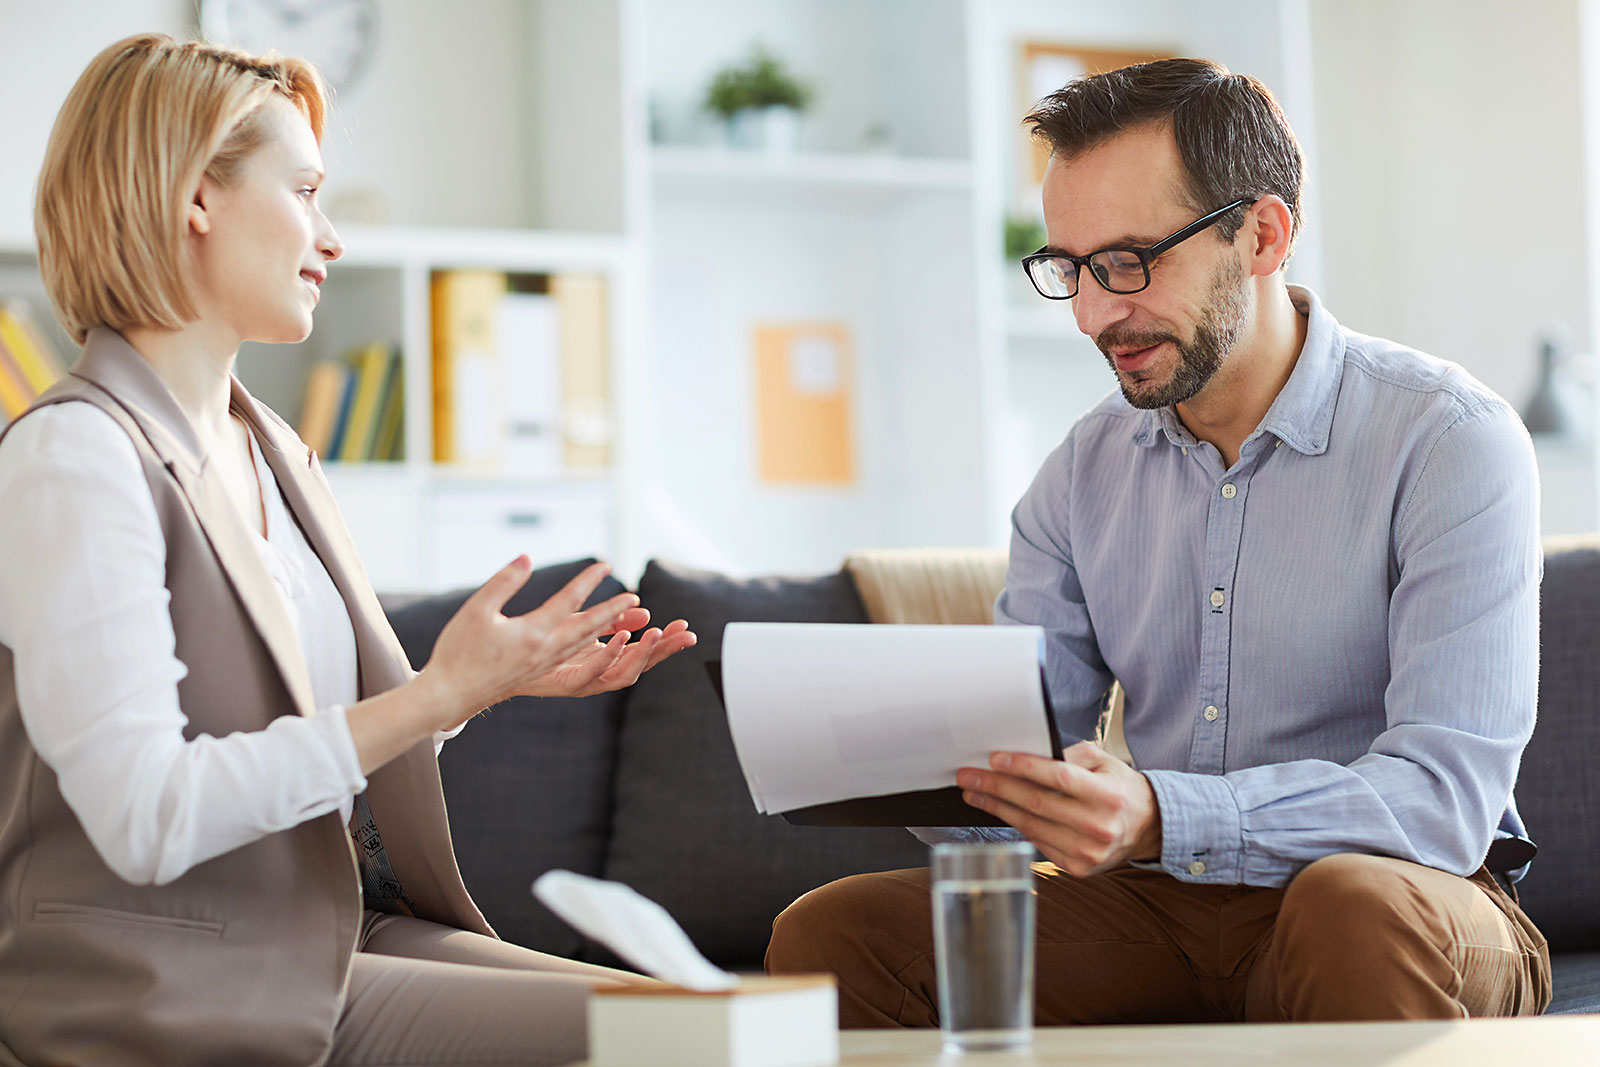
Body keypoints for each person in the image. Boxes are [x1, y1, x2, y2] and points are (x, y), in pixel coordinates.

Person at [766, 58, 1551, 1024]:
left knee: (1350, 906)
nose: (1096, 313)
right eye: (1071, 268)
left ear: (1262, 234)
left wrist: (1162, 815)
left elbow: (1443, 796)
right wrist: (899, 757)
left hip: (1417, 895)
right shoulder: (1080, 472)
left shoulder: (1448, 439)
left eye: (1131, 261)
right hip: (1161, 909)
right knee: (833, 931)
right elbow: (1027, 751)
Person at [0, 33, 696, 1067]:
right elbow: (147, 815)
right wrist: (432, 693)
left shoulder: (269, 448)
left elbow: (312, 735)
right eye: (306, 191)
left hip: (316, 929)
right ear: (196, 195)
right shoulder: (76, 454)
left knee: (703, 1020)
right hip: (162, 973)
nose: (330, 238)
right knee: (684, 1042)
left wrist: (480, 687)